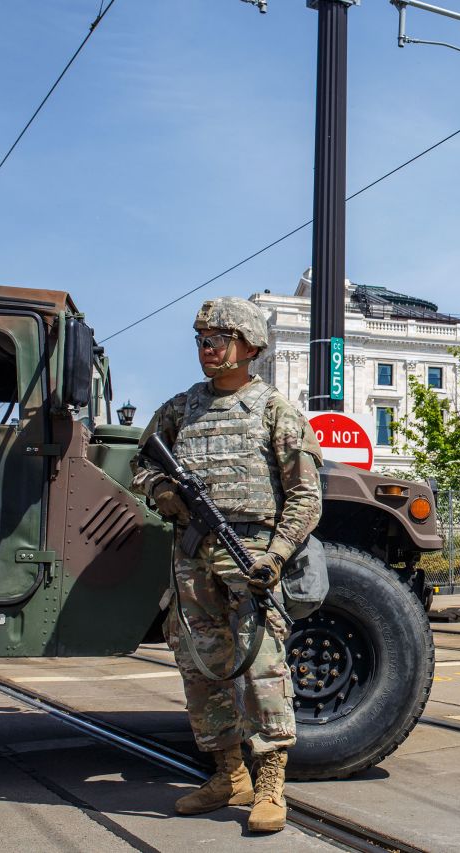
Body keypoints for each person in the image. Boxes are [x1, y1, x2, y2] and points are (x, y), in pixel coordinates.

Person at [131, 297, 323, 833]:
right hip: (192, 555)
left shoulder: (275, 410)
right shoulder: (180, 408)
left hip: (253, 553)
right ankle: (227, 773)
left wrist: (277, 554)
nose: (206, 350)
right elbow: (141, 466)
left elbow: (306, 496)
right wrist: (163, 491)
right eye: (201, 341)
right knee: (200, 665)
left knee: (262, 664)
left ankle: (270, 783)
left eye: (217, 340)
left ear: (249, 346)